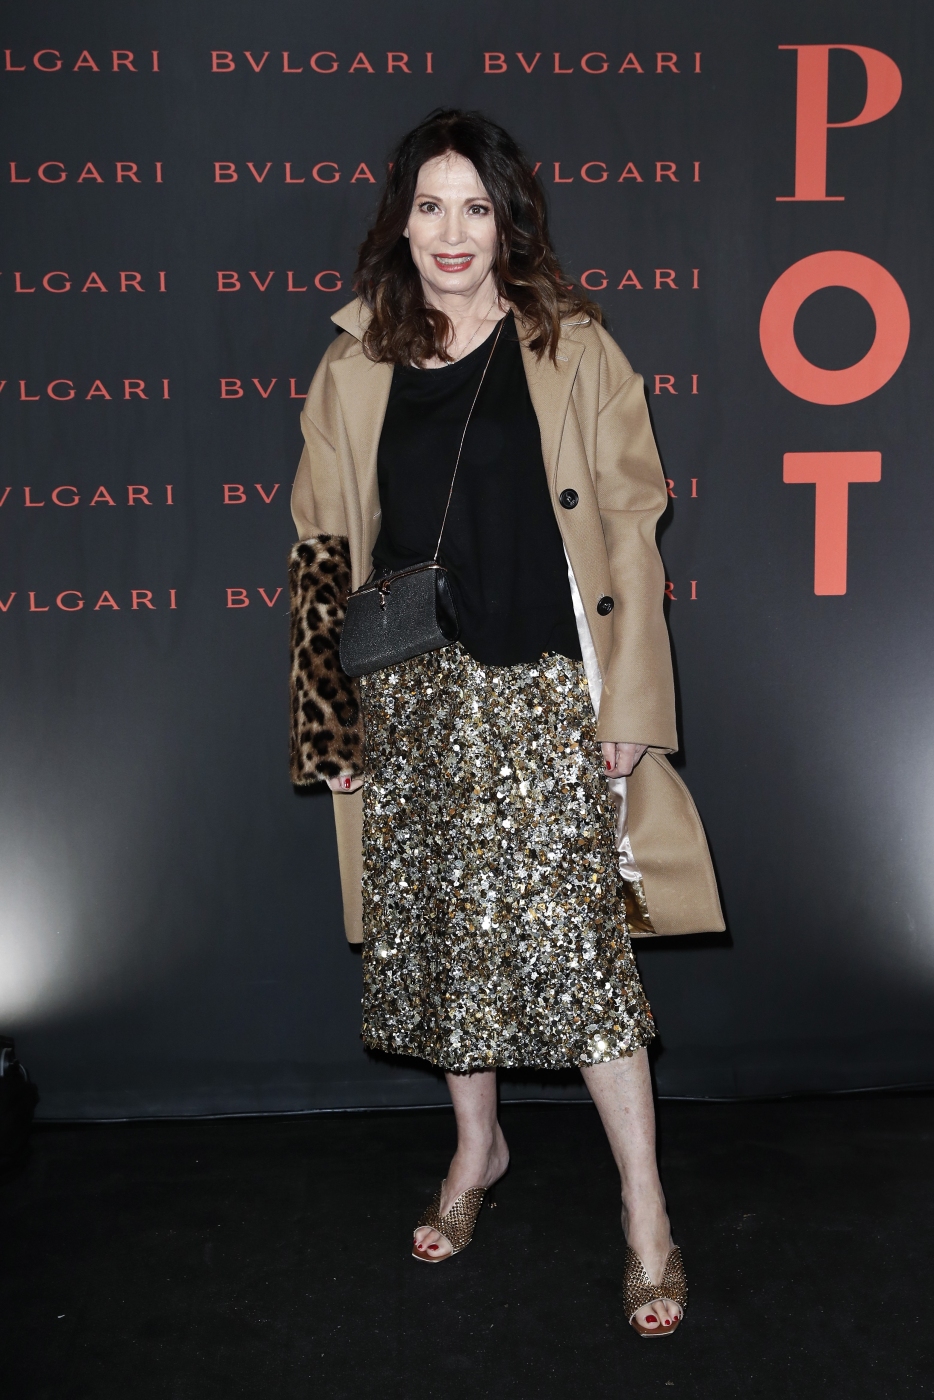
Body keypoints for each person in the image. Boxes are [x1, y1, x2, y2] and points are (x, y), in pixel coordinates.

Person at [289, 109, 723, 1337]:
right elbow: (321, 548)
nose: (451, 232)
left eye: (474, 207)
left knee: (584, 958)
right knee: (441, 943)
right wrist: (331, 727)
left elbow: (631, 525)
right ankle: (475, 1147)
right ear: (399, 221)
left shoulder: (570, 344)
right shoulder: (354, 362)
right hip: (412, 698)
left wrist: (630, 701)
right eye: (429, 206)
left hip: (542, 691)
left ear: (506, 221)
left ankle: (645, 1211)